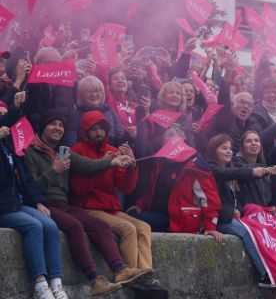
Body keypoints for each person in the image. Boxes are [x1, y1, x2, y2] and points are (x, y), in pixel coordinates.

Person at [24, 109, 150, 297]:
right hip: (45, 204)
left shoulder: (63, 152)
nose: (57, 128)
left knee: (100, 226)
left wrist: (113, 162)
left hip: (65, 204)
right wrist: (54, 170)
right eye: (52, 124)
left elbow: (89, 165)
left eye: (60, 125)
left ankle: (121, 269)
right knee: (76, 227)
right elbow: (31, 188)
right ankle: (95, 279)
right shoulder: (29, 152)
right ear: (42, 128)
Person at [70, 111, 163, 291]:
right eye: (94, 129)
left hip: (109, 207)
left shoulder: (112, 150)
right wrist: (101, 166)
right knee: (127, 228)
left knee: (144, 227)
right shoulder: (77, 151)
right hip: (88, 207)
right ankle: (129, 274)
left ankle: (145, 273)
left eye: (102, 129)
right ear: (85, 131)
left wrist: (131, 167)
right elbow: (78, 189)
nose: (98, 133)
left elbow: (126, 188)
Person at [0, 112, 68, 299]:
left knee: (50, 225)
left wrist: (38, 201)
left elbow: (27, 180)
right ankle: (40, 284)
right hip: (3, 207)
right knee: (34, 226)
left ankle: (56, 282)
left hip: (17, 203)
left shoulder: (11, 146)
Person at [205, 134, 276, 289]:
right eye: (224, 148)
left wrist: (237, 209)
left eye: (229, 148)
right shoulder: (210, 168)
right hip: (218, 221)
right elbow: (233, 173)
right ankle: (265, 275)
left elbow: (234, 197)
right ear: (214, 151)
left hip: (228, 217)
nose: (229, 151)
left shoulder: (226, 169)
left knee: (260, 231)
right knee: (247, 233)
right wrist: (259, 171)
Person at [129, 129, 222, 240]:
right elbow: (152, 189)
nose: (170, 149)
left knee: (131, 221)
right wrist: (140, 206)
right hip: (158, 214)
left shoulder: (196, 166)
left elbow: (210, 199)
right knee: (129, 219)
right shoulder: (160, 163)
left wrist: (210, 226)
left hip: (179, 220)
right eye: (166, 145)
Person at [75, 75, 126, 147]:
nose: (94, 94)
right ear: (81, 94)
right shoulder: (76, 115)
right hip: (84, 156)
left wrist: (129, 136)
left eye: (97, 91)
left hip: (111, 155)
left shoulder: (111, 113)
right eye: (89, 91)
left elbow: (120, 139)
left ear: (102, 93)